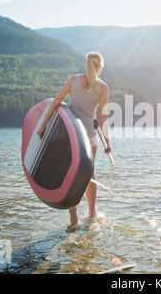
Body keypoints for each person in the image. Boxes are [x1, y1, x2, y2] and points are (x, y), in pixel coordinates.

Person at [37, 52, 112, 231]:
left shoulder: (73, 80)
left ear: (86, 64)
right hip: (90, 137)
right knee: (89, 173)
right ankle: (92, 213)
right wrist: (108, 143)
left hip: (71, 135)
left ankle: (73, 219)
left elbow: (55, 103)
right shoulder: (103, 87)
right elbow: (103, 116)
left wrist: (42, 125)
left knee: (70, 174)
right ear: (100, 67)